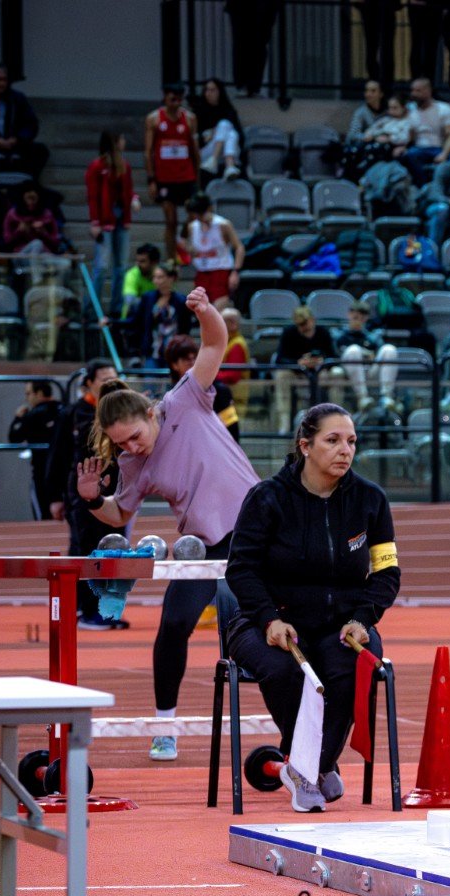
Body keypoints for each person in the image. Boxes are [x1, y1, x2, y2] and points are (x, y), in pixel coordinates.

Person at [78, 291, 260, 760]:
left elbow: (215, 345)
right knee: (173, 625)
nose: (133, 448)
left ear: (149, 413)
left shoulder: (184, 401)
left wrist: (204, 311)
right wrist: (94, 498)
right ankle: (166, 727)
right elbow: (119, 513)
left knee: (265, 623)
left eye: (135, 436)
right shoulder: (133, 464)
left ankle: (298, 720)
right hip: (202, 545)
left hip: (258, 529)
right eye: (122, 444)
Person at [225, 402, 399, 811]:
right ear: (305, 445)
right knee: (285, 669)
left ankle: (308, 768)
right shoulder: (267, 498)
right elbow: (241, 569)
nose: (345, 450)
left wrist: (363, 618)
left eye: (351, 442)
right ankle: (314, 767)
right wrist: (269, 618)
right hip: (264, 622)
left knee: (351, 667)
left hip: (342, 626)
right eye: (333, 440)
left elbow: (387, 573)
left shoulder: (371, 500)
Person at [46, 363, 123, 628]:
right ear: (88, 382)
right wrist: (54, 497)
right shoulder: (74, 413)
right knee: (86, 548)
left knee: (114, 550)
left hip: (115, 491)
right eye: (104, 378)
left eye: (114, 378)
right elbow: (57, 455)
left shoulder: (119, 411)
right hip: (81, 492)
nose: (110, 382)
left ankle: (107, 611)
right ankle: (86, 610)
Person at [85, 133, 139, 315]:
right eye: (122, 139)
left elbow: (129, 190)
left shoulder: (124, 166)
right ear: (115, 142)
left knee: (121, 268)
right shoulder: (97, 167)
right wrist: (94, 222)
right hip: (104, 218)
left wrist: (133, 199)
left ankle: (116, 308)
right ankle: (91, 308)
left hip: (121, 218)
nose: (124, 142)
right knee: (101, 267)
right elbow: (92, 196)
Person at [144, 84, 199, 250]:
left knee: (194, 213)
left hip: (186, 175)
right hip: (164, 178)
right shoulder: (154, 119)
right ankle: (171, 262)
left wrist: (198, 179)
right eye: (172, 99)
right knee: (170, 221)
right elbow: (148, 152)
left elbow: (195, 151)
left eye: (179, 100)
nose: (176, 103)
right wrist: (151, 180)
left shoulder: (190, 118)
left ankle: (182, 238)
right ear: (165, 98)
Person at [164, 334, 240, 442]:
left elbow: (232, 432)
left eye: (195, 357)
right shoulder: (169, 398)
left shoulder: (221, 391)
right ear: (174, 365)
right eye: (186, 359)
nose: (192, 362)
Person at [0, 63, 47, 179]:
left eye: (4, 80)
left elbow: (31, 124)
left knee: (40, 151)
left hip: (13, 142)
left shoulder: (17, 98)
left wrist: (17, 139)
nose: (0, 84)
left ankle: (27, 183)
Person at [335, 300, 401, 409]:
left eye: (362, 317)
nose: (358, 320)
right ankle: (362, 398)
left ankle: (387, 397)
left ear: (366, 318)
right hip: (346, 373)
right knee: (353, 350)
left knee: (389, 349)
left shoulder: (372, 336)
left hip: (369, 372)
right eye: (355, 317)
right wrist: (362, 352)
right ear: (349, 315)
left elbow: (380, 355)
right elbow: (335, 355)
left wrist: (372, 356)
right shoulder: (338, 334)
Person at [180, 194, 244, 305]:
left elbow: (239, 248)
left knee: (218, 307)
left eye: (201, 213)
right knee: (200, 308)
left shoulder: (223, 225)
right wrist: (189, 249)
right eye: (197, 214)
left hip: (220, 271)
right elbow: (182, 241)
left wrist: (235, 272)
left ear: (209, 209)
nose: (199, 217)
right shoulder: (192, 226)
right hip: (201, 271)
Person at [9, 379, 60, 519]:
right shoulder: (64, 409)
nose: (27, 398)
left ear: (39, 393)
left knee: (43, 515)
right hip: (64, 471)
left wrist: (18, 419)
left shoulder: (32, 415)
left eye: (28, 393)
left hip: (41, 472)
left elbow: (14, 438)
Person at [130, 262, 191, 367]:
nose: (156, 281)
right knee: (150, 381)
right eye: (154, 277)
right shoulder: (148, 298)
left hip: (174, 352)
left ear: (171, 278)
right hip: (153, 349)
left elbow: (186, 326)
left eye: (160, 277)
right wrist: (111, 322)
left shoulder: (181, 301)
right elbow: (136, 321)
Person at [403, 77, 450, 184]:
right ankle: (423, 187)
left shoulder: (444, 109)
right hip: (419, 148)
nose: (413, 94)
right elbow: (407, 137)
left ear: (428, 91)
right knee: (408, 155)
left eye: (417, 91)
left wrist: (444, 154)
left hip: (439, 148)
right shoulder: (409, 110)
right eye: (412, 90)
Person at [190, 77, 244, 180]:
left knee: (229, 131)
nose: (209, 93)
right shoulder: (199, 111)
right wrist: (207, 134)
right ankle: (229, 166)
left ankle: (215, 161)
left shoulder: (228, 110)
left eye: (212, 90)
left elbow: (240, 136)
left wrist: (217, 131)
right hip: (207, 150)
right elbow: (194, 136)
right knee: (227, 129)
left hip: (228, 151)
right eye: (207, 90)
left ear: (220, 92)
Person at [227, 0, 280, 97]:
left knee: (258, 46)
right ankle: (244, 84)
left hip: (263, 9)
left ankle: (253, 86)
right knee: (243, 46)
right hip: (243, 9)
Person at [3, 184, 66, 254]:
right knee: (37, 243)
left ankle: (36, 263)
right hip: (21, 254)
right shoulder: (12, 214)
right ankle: (34, 265)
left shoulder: (47, 215)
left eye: (33, 199)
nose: (31, 202)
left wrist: (43, 232)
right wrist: (19, 231)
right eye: (28, 198)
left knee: (64, 262)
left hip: (43, 253)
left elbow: (56, 242)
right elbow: (7, 241)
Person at [275, 305, 339, 371]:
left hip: (320, 369)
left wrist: (322, 360)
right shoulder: (288, 333)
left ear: (312, 319)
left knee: (335, 372)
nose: (302, 327)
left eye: (304, 323)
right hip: (295, 369)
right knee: (282, 374)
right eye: (299, 324)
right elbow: (280, 359)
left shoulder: (323, 332)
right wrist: (298, 362)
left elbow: (334, 357)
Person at [120, 243, 162, 319]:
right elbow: (130, 301)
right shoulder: (132, 274)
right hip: (132, 320)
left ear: (154, 262)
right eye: (137, 261)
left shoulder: (163, 276)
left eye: (142, 261)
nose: (138, 264)